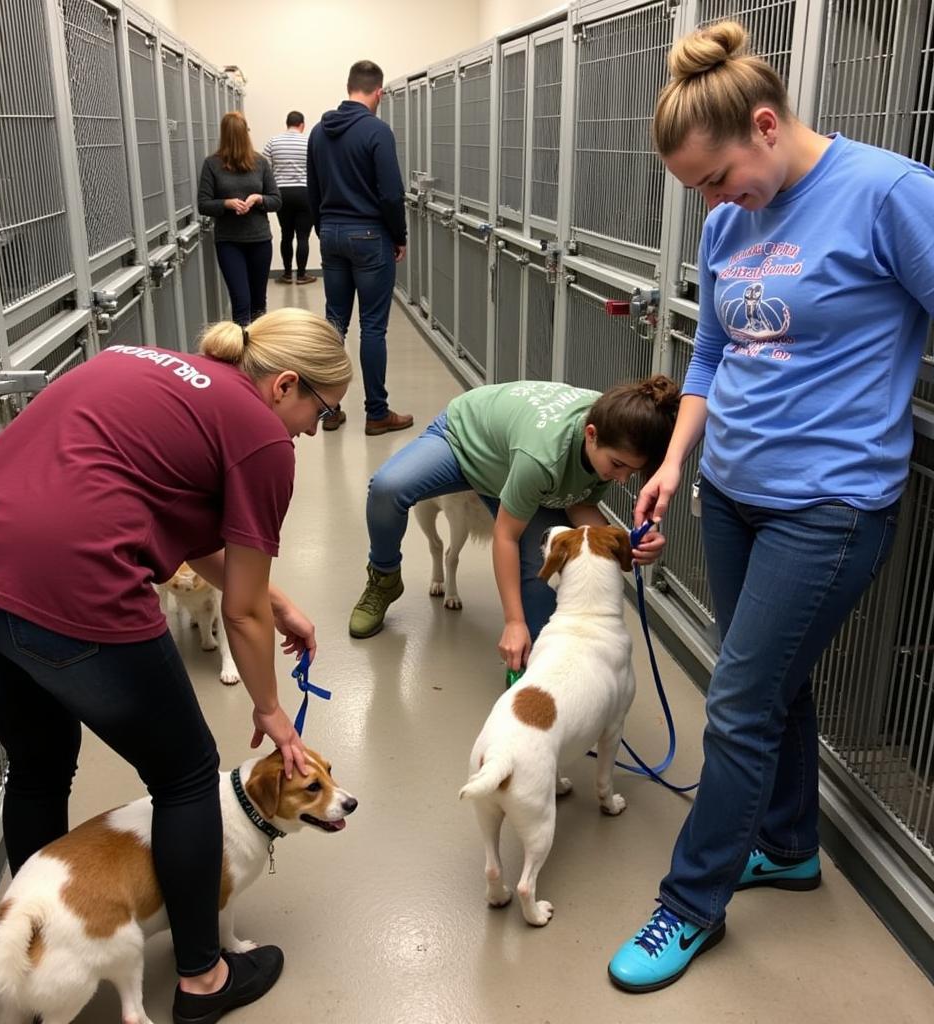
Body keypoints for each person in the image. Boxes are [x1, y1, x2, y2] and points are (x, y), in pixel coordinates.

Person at [607, 21, 934, 994]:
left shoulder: (887, 193)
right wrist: (673, 460)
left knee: (740, 700)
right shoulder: (724, 225)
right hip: (733, 492)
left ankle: (688, 903)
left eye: (714, 178)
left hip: (828, 505)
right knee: (774, 684)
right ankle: (788, 843)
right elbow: (711, 353)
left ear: (762, 124)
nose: (711, 203)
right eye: (696, 190)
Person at [0, 310, 353, 1023]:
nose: (312, 428)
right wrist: (270, 710)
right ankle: (203, 980)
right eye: (322, 411)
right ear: (285, 386)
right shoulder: (264, 441)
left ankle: (31, 948)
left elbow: (203, 544)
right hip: (68, 586)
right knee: (184, 775)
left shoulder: (137, 361)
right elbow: (236, 613)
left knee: (39, 760)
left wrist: (279, 602)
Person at [348, 377, 680, 670]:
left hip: (514, 469)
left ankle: (534, 677)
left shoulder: (616, 429)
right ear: (590, 435)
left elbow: (581, 501)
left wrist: (624, 544)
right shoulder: (546, 455)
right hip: (465, 441)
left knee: (541, 583)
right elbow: (505, 535)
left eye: (631, 472)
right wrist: (513, 622)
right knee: (387, 488)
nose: (622, 479)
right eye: (619, 466)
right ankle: (384, 578)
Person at [307, 59, 412, 436]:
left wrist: (325, 230)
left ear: (349, 86)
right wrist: (398, 236)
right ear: (378, 92)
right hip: (369, 237)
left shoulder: (319, 132)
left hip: (332, 234)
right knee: (372, 327)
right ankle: (377, 413)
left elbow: (313, 189)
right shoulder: (377, 131)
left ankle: (329, 408)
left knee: (334, 325)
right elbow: (390, 193)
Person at [199, 111, 282, 325]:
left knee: (258, 302)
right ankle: (241, 352)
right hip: (229, 241)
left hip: (259, 240)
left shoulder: (260, 162)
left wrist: (258, 199)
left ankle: (257, 351)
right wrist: (227, 203)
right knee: (241, 300)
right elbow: (203, 204)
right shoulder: (212, 164)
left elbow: (276, 200)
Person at [262, 110, 316, 286]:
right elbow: (316, 168)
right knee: (302, 237)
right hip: (304, 193)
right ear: (302, 125)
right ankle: (301, 275)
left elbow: (265, 168)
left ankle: (286, 274)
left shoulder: (273, 142)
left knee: (286, 235)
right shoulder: (309, 141)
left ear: (287, 123)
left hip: (281, 194)